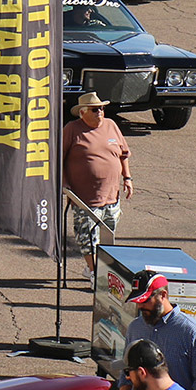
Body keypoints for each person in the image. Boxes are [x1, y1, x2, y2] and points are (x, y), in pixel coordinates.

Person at [61, 91, 130, 271]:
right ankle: (94, 272)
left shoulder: (111, 125)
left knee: (107, 238)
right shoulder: (72, 129)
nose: (99, 112)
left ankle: (98, 270)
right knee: (87, 239)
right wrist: (64, 183)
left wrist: (127, 178)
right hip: (85, 199)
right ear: (82, 112)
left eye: (101, 108)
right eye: (94, 109)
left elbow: (123, 154)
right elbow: (58, 158)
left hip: (111, 197)